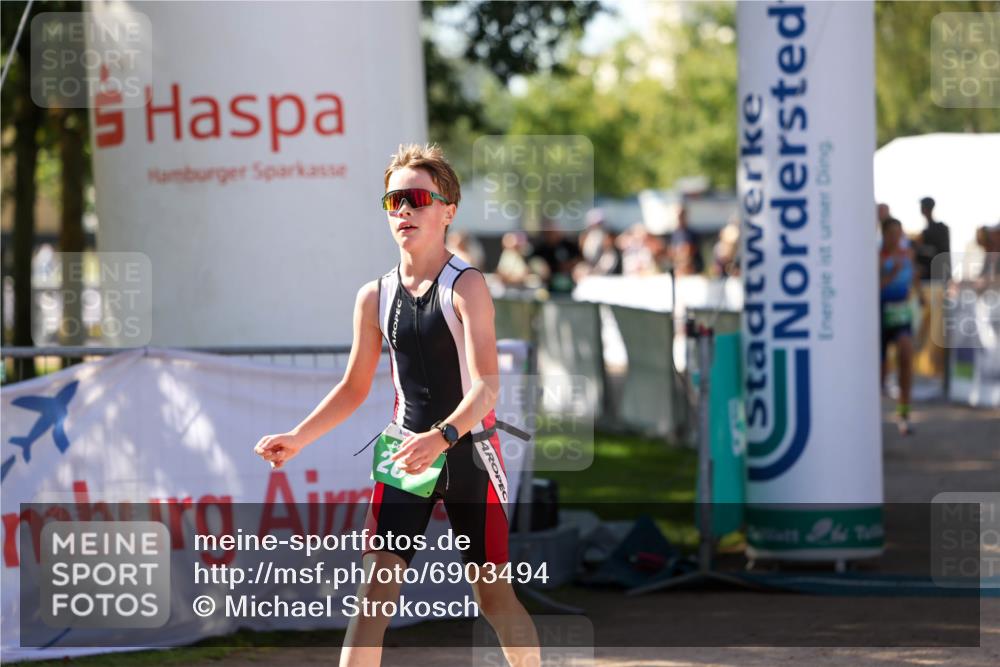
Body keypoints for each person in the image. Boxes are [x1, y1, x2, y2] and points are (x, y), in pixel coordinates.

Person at [254, 143, 540, 667]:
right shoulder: (374, 295)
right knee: (372, 597)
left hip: (467, 451)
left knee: (493, 595)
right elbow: (353, 387)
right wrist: (298, 437)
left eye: (416, 198)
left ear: (448, 209)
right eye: (393, 201)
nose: (403, 210)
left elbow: (487, 388)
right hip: (404, 452)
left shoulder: (468, 285)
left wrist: (443, 437)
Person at [879, 217, 922, 435]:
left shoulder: (907, 254)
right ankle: (870, 417)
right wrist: (891, 274)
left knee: (906, 353)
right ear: (884, 234)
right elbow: (873, 284)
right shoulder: (876, 254)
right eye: (892, 234)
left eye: (899, 233)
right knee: (878, 370)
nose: (896, 238)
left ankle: (904, 413)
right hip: (877, 313)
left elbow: (912, 276)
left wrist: (919, 293)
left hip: (900, 314)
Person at [915, 196, 951, 281]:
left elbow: (939, 251)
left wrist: (918, 247)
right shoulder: (927, 230)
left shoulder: (940, 228)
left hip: (936, 275)